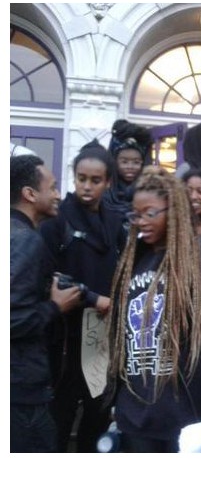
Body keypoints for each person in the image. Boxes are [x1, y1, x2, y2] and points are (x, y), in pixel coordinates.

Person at [106, 166, 201, 452]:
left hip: (185, 410)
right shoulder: (134, 259)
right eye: (136, 215)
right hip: (136, 411)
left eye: (151, 213)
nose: (142, 222)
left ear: (173, 210)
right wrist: (116, 399)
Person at [39, 144, 127, 452]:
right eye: (81, 178)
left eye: (95, 180)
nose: (87, 187)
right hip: (65, 335)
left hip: (103, 334)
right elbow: (47, 276)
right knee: (60, 415)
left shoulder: (116, 221)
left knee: (98, 412)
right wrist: (92, 298)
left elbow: (124, 269)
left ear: (108, 183)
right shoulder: (56, 219)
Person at [10, 155, 82, 452]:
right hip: (21, 389)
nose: (58, 195)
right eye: (52, 187)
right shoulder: (26, 240)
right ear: (29, 194)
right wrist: (55, 306)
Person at [103, 119, 152, 219]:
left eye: (136, 162)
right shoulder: (103, 192)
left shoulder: (151, 192)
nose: (130, 167)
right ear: (115, 162)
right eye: (124, 162)